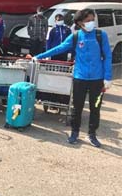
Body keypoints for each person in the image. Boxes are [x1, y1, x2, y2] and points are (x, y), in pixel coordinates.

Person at [34, 9, 112, 147]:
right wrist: (39, 56)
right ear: (80, 23)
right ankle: (74, 132)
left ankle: (92, 134)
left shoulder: (101, 35)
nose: (91, 23)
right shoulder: (76, 37)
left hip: (97, 79)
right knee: (77, 107)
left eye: (92, 20)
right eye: (87, 21)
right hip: (79, 78)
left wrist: (107, 77)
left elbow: (107, 56)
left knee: (95, 108)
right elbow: (59, 48)